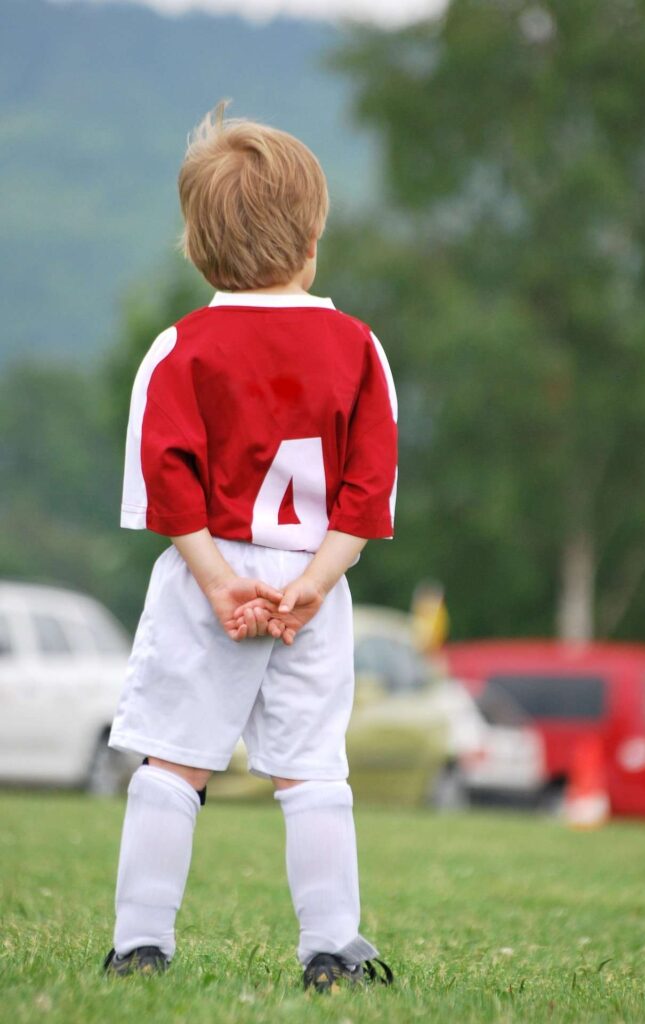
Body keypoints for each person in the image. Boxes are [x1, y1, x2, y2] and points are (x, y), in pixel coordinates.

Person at [103, 101, 398, 993]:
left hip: (210, 577)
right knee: (312, 769)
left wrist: (219, 580)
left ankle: (140, 944)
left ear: (198, 251)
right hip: (315, 581)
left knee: (173, 760)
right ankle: (331, 949)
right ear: (312, 241)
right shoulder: (358, 348)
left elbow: (168, 486)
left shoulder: (178, 348)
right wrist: (314, 581)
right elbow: (365, 494)